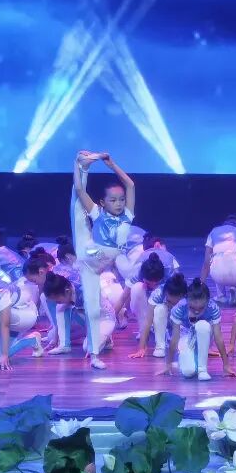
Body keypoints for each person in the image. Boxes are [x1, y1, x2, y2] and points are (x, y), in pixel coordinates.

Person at [71, 150, 136, 370]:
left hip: (95, 267)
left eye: (121, 200)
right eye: (113, 200)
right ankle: (81, 164)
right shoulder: (98, 213)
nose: (119, 203)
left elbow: (130, 185)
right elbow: (80, 190)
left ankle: (94, 356)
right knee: (77, 209)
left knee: (93, 310)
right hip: (87, 252)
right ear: (103, 202)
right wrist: (76, 165)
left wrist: (112, 164)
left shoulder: (127, 216)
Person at [157, 278, 236, 380]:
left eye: (201, 308)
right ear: (187, 301)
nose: (196, 312)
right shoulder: (180, 308)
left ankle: (202, 370)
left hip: (205, 335)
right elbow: (175, 338)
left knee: (202, 325)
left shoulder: (213, 308)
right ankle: (187, 360)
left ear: (207, 302)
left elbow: (218, 337)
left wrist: (226, 365)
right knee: (188, 372)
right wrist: (168, 364)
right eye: (192, 308)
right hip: (185, 337)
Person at [43, 272, 117, 356]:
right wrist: (55, 339)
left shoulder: (85, 293)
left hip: (104, 318)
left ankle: (106, 338)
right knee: (58, 313)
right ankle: (64, 346)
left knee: (88, 347)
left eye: (57, 300)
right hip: (85, 318)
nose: (56, 302)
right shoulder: (68, 288)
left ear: (67, 291)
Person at [129, 273, 189, 359]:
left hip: (184, 327)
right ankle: (160, 347)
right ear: (164, 293)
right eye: (169, 301)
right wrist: (141, 348)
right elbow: (148, 321)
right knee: (159, 309)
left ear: (183, 296)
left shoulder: (190, 297)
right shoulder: (158, 293)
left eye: (176, 303)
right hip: (167, 323)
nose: (172, 306)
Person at [201, 216, 236, 303]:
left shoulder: (214, 232)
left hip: (218, 273)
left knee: (215, 261)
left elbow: (206, 262)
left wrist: (201, 286)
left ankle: (221, 296)